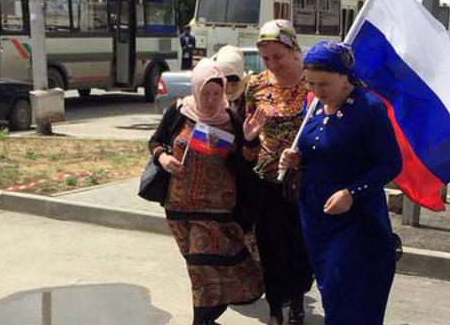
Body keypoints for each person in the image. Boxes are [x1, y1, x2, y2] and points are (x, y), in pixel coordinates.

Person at [279, 40, 402, 324]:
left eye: (324, 84)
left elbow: (391, 163)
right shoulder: (312, 106)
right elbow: (316, 149)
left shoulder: (369, 108)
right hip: (315, 214)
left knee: (349, 291)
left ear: (344, 75)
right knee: (330, 292)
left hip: (356, 219)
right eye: (311, 83)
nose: (317, 91)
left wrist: (352, 192)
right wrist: (298, 159)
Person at [149, 58, 267, 325]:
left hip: (216, 212)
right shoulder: (178, 113)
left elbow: (245, 165)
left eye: (217, 93)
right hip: (178, 208)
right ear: (196, 89)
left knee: (202, 268)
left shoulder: (233, 122)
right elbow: (155, 141)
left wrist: (249, 140)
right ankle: (207, 320)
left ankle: (200, 322)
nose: (212, 99)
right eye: (206, 93)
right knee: (197, 270)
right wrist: (163, 158)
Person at [245, 20, 313, 325]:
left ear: (293, 50)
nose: (273, 64)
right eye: (266, 58)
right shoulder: (256, 85)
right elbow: (246, 135)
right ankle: (274, 309)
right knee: (269, 247)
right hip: (266, 182)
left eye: (278, 57)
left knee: (299, 247)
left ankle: (297, 302)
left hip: (302, 184)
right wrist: (247, 138)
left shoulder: (312, 83)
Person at [214, 45, 249, 119]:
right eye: (225, 84)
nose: (229, 89)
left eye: (234, 84)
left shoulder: (251, 96)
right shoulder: (213, 95)